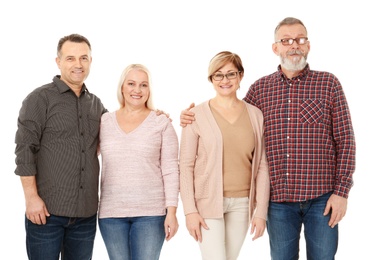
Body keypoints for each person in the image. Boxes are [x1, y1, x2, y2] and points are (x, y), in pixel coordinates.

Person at [180, 17, 356, 260]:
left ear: (308, 45)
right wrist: (188, 117)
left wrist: (342, 192)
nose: (294, 45)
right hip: (279, 201)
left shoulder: (328, 84)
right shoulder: (260, 90)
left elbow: (346, 141)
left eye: (300, 39)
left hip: (323, 199)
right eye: (286, 40)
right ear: (276, 48)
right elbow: (232, 117)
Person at [14, 34, 107, 259]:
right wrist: (31, 198)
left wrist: (153, 115)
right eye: (70, 58)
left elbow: (119, 135)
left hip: (85, 215)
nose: (78, 64)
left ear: (91, 61)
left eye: (84, 58)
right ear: (58, 61)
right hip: (46, 213)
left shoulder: (96, 104)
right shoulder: (39, 99)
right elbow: (25, 149)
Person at [179, 51, 270, 260]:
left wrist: (261, 212)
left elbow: (263, 166)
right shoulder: (196, 115)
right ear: (211, 79)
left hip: (243, 203)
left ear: (240, 76)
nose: (225, 80)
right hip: (207, 203)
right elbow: (185, 165)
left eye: (231, 74)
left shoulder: (256, 115)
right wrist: (189, 210)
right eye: (218, 75)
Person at [98, 64, 180, 260]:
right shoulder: (104, 122)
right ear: (122, 88)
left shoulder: (161, 123)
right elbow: (85, 156)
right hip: (111, 214)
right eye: (131, 84)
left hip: (151, 214)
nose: (137, 90)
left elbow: (171, 171)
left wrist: (172, 212)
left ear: (149, 90)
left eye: (143, 85)